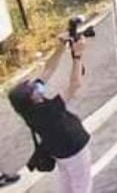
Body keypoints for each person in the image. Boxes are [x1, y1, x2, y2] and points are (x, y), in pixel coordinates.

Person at [9, 35, 92, 191]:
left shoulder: (28, 111)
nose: (35, 86)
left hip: (59, 153)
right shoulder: (48, 112)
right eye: (32, 89)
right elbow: (75, 84)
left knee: (67, 187)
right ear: (32, 98)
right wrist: (78, 56)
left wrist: (61, 46)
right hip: (74, 149)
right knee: (82, 187)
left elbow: (48, 69)